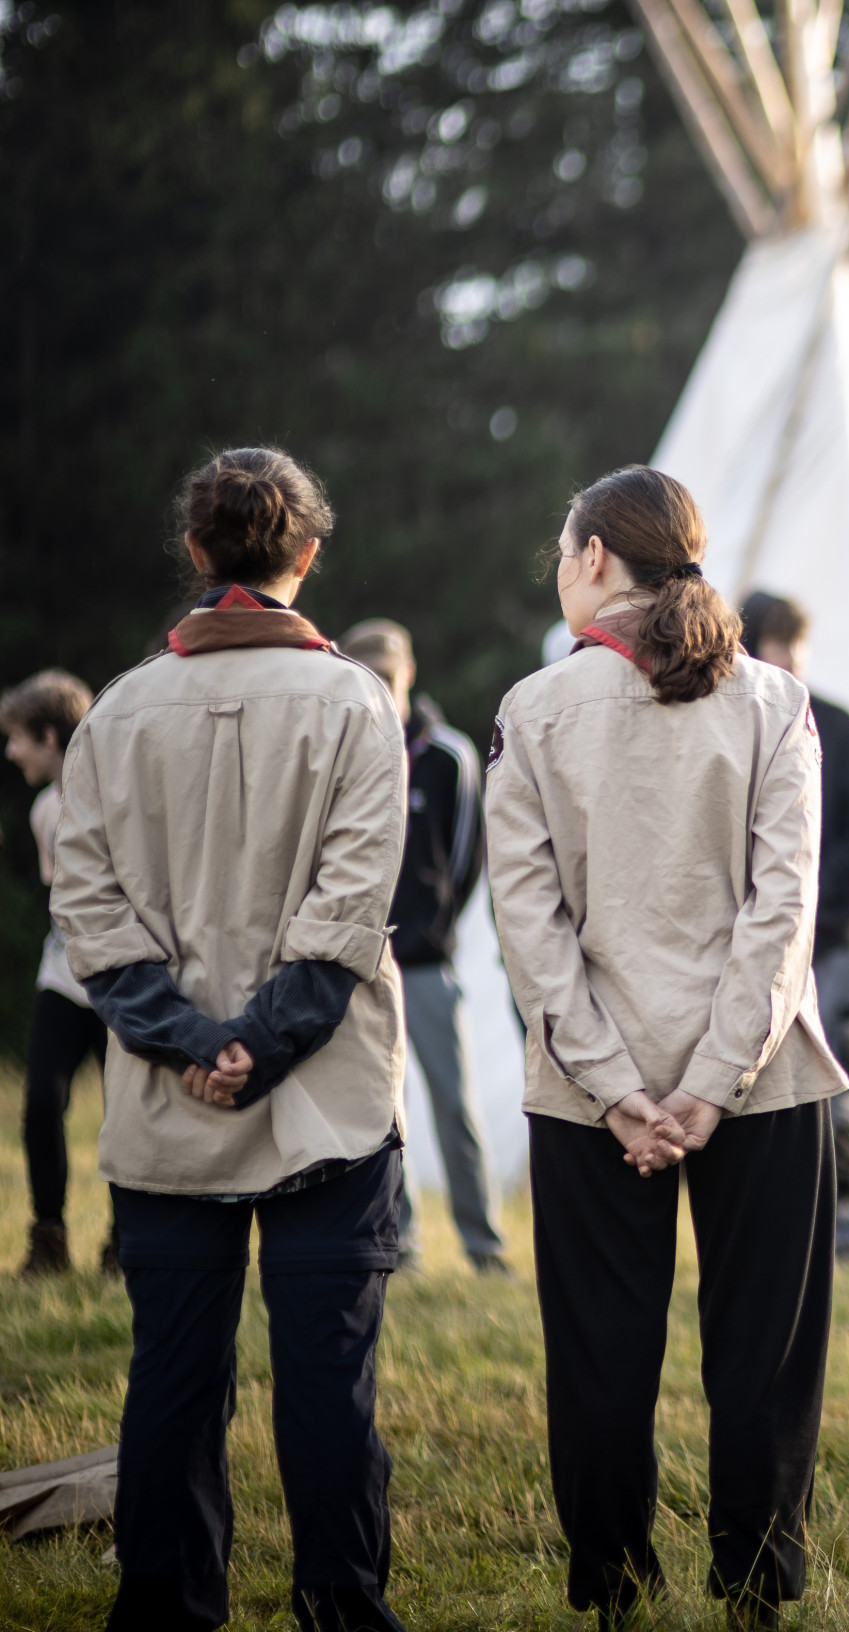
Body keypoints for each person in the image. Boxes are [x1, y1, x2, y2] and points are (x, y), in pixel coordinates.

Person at [49, 448, 411, 1632]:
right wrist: (261, 1042)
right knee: (326, 1385)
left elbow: (88, 908)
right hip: (328, 1097)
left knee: (172, 1379)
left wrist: (184, 1042)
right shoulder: (359, 700)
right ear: (306, 555)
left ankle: (164, 1610)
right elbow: (353, 907)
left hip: (172, 1104)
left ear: (198, 553)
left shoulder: (114, 710)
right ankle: (341, 1608)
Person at [489, 467, 849, 1630]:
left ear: (595, 557)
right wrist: (707, 1087)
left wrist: (616, 1087)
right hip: (761, 1077)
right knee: (762, 1349)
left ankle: (612, 1590)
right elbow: (783, 916)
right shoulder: (773, 701)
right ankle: (756, 1587)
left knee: (599, 1351)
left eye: (562, 546)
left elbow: (529, 931)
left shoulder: (531, 710)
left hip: (592, 1085)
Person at [334, 620, 507, 1275]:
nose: (379, 690)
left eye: (389, 678)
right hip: (358, 963)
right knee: (381, 1112)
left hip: (429, 964)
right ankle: (399, 1241)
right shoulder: (341, 751)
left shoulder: (450, 757)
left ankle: (483, 1244)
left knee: (453, 1105)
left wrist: (436, 926)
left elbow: (466, 859)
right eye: (367, 678)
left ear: (409, 676)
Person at [740, 588, 849, 1259]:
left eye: (797, 641)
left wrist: (809, 900)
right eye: (776, 641)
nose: (789, 654)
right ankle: (780, 1217)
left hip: (829, 943)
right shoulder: (741, 723)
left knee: (843, 1078)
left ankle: (847, 1211)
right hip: (758, 946)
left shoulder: (842, 727)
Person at [6, 669, 114, 1278]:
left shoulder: (110, 793)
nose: (11, 751)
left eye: (18, 738)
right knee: (42, 1099)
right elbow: (65, 909)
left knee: (128, 1115)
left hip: (121, 980)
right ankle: (48, 1240)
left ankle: (125, 1245)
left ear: (49, 736)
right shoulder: (46, 808)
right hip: (66, 975)